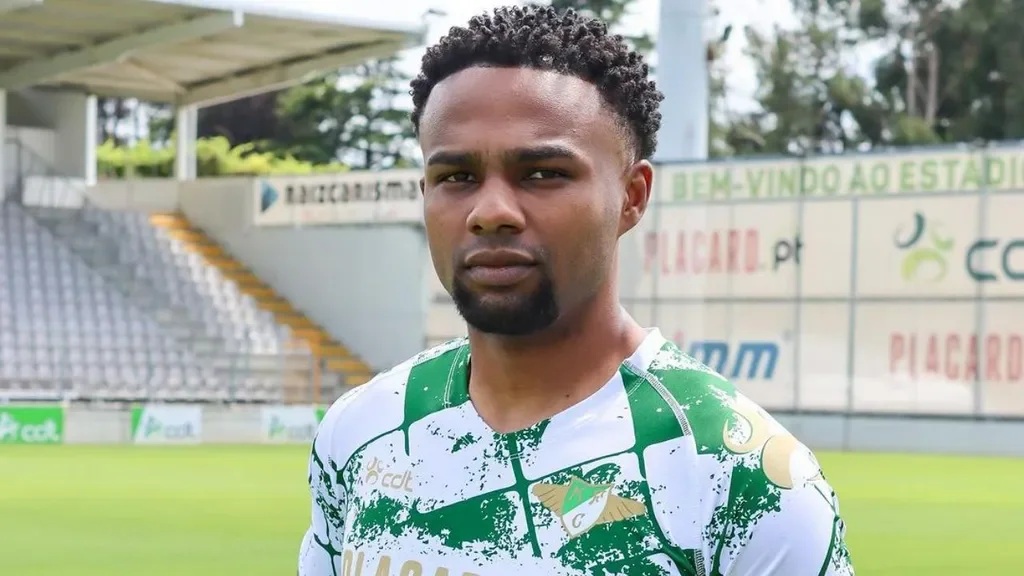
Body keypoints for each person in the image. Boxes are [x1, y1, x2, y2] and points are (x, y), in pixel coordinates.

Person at [298, 5, 854, 575]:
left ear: (632, 196)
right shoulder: (361, 431)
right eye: (456, 177)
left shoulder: (742, 475)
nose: (490, 212)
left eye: (542, 173)